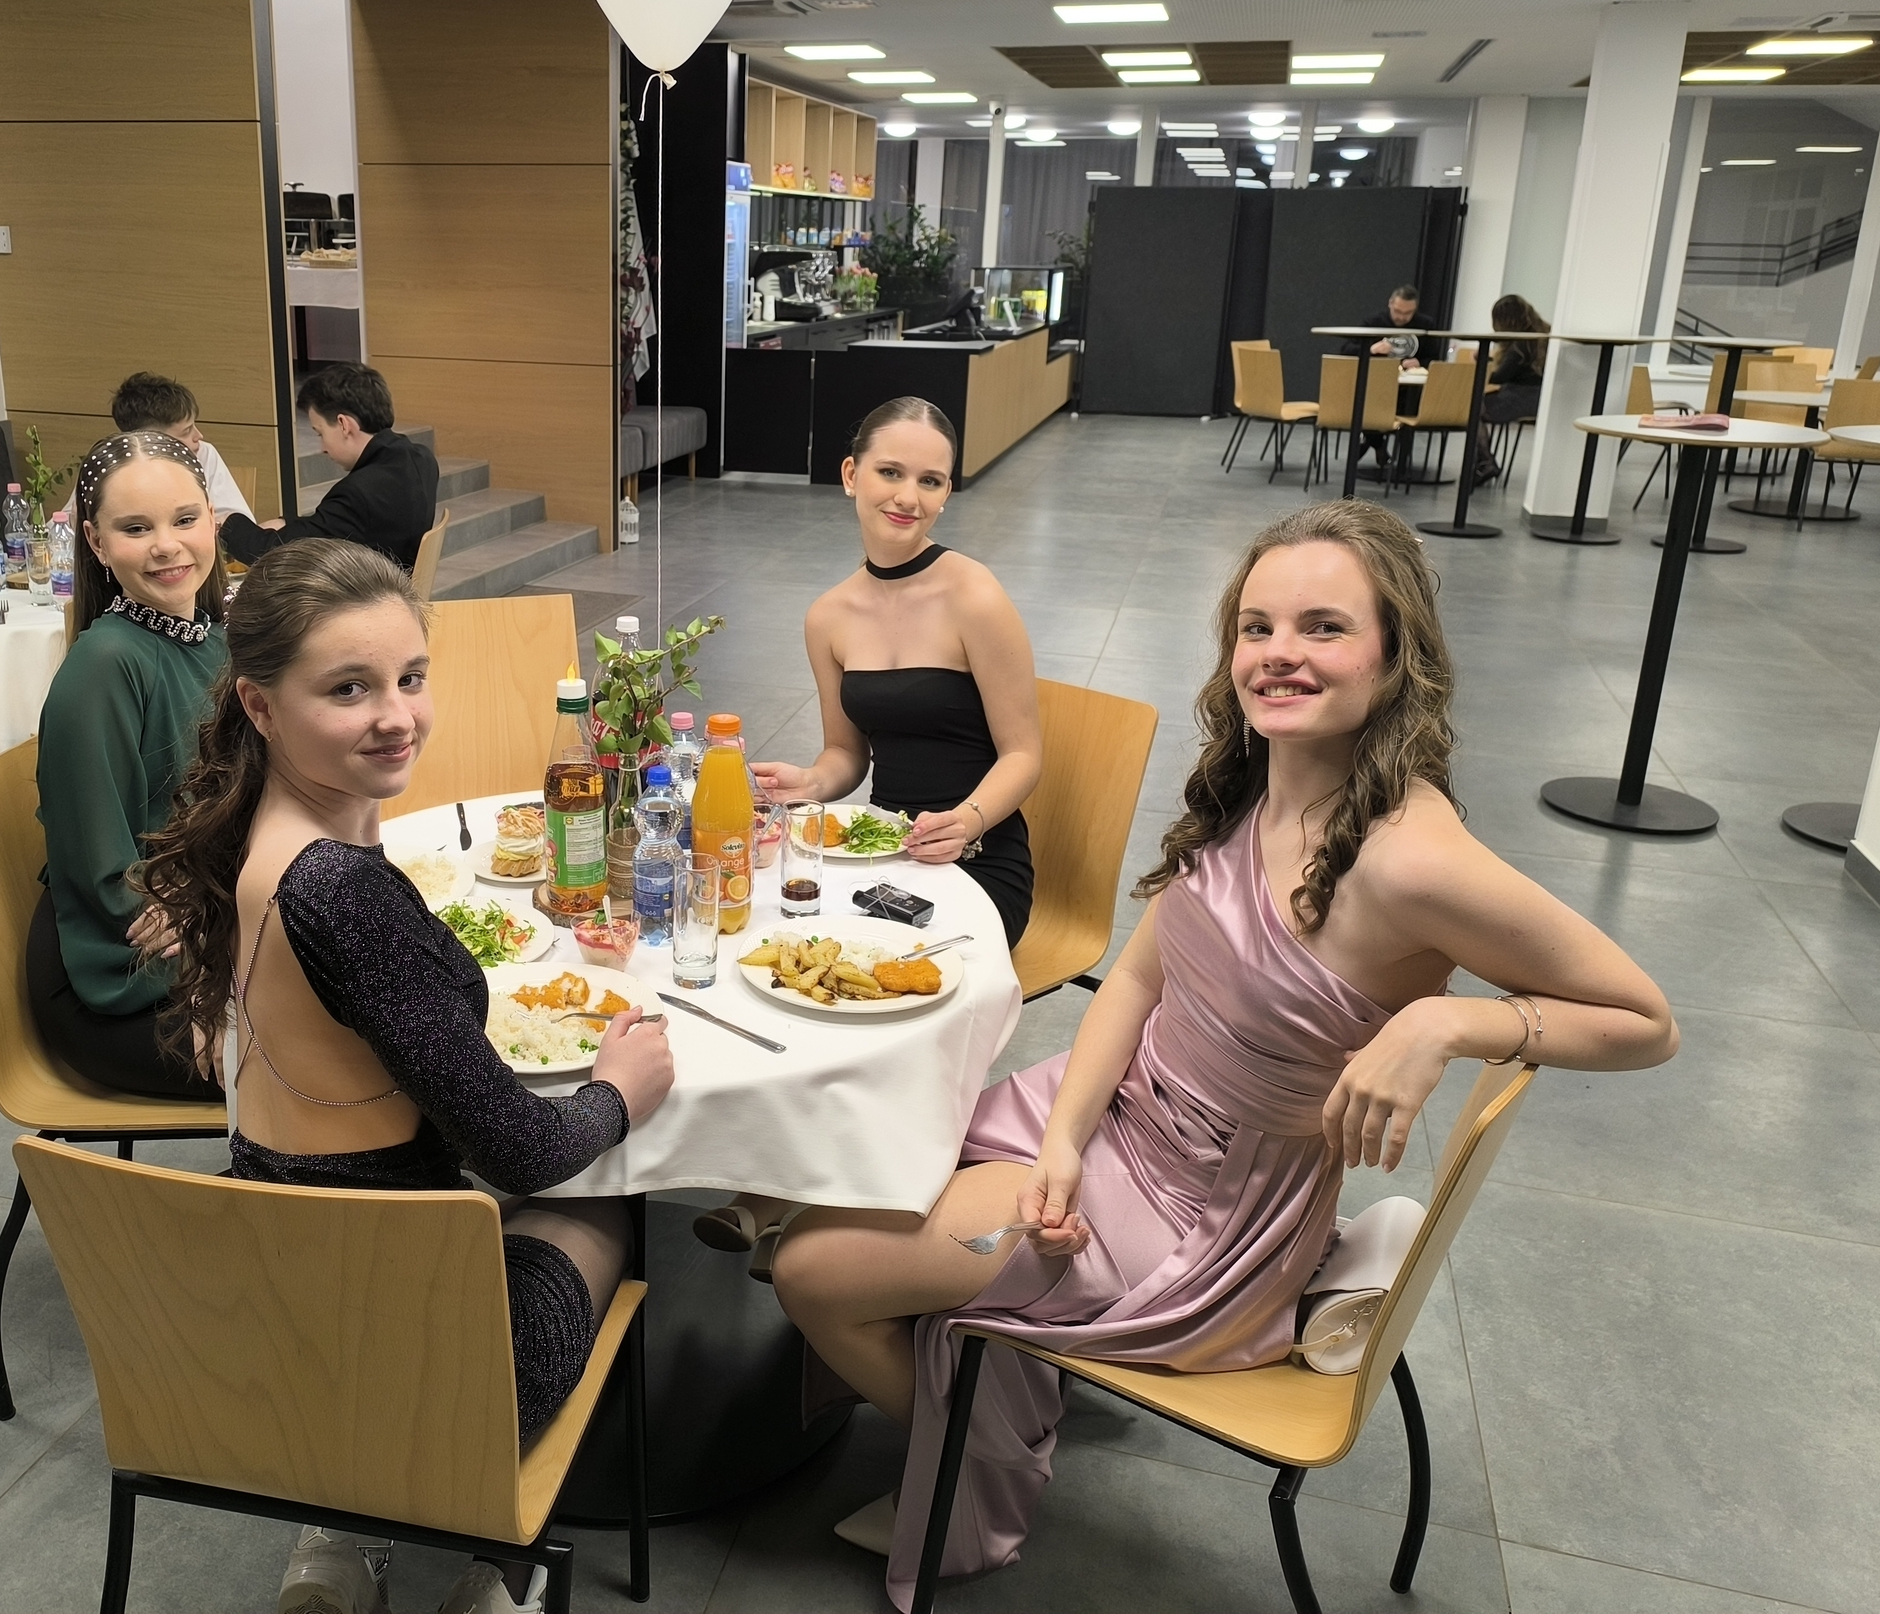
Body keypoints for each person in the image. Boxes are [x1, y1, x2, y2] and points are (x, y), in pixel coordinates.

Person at [768, 500, 1677, 1612]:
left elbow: (1646, 1021)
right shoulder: (1261, 777)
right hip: (1118, 1115)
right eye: (1258, 627)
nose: (1279, 653)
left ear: (1396, 656)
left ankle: (981, 1462)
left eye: (1324, 627)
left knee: (811, 1270)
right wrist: (1064, 1137)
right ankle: (993, 1383)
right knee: (841, 1171)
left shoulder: (1410, 859)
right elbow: (1139, 982)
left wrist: (1447, 1024)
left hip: (1202, 1214)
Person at [133, 537, 673, 1614]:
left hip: (281, 1318)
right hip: (416, 1358)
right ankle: (495, 1566)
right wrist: (620, 1089)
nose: (398, 716)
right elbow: (521, 1148)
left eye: (411, 678)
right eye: (350, 689)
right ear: (260, 705)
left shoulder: (254, 837)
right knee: (608, 1199)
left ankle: (339, 1537)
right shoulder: (343, 894)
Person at [693, 398, 1042, 1277]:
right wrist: (807, 783)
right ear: (851, 475)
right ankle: (801, 1186)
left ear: (947, 493)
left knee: (874, 988)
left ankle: (798, 1201)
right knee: (799, 965)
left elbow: (1024, 754)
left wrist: (970, 819)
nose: (908, 497)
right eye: (890, 472)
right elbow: (847, 755)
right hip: (886, 851)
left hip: (980, 856)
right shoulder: (830, 615)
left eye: (930, 480)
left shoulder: (974, 594)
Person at [29, 430, 230, 1100]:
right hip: (122, 971)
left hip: (203, 922)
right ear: (95, 542)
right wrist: (213, 979)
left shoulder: (219, 641)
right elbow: (104, 874)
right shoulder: (105, 665)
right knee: (355, 1062)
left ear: (213, 519)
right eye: (136, 528)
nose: (167, 545)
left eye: (185, 519)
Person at [220, 362, 440, 572]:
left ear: (344, 425)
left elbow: (274, 554)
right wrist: (286, 522)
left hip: (366, 591)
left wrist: (226, 523)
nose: (322, 448)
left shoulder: (359, 492)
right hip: (395, 580)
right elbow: (333, 526)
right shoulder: (420, 458)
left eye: (320, 433)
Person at [61, 371, 253, 524]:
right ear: (150, 439)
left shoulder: (203, 454)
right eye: (186, 431)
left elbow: (238, 524)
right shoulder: (107, 464)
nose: (198, 436)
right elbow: (64, 525)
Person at [1337, 283, 1442, 473]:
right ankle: (1377, 443)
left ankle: (1381, 449)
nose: (1402, 317)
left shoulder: (1425, 325)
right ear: (1390, 303)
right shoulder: (1374, 323)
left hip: (1412, 390)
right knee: (1366, 402)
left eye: (1408, 313)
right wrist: (1371, 349)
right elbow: (1346, 349)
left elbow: (1436, 358)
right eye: (1398, 311)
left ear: (1415, 309)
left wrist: (1420, 362)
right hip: (1377, 388)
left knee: (1398, 407)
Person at [1471, 293, 1550, 488]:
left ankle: (1485, 462)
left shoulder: (1520, 345)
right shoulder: (1542, 334)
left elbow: (1500, 377)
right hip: (1540, 397)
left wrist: (1483, 362)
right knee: (1477, 405)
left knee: (1472, 408)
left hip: (1520, 397)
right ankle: (1484, 463)